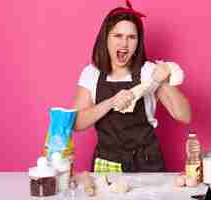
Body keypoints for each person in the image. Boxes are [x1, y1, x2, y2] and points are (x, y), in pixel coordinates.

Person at [74, 0, 191, 172]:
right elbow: (76, 123)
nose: (124, 44)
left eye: (131, 37)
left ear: (138, 42)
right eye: (118, 36)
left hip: (147, 162)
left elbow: (184, 116)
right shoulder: (92, 73)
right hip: (107, 162)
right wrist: (111, 102)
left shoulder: (148, 72)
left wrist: (164, 80)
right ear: (105, 38)